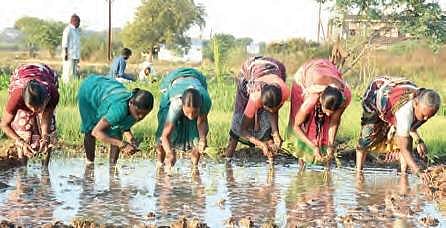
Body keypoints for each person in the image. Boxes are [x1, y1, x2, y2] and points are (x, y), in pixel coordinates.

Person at [355, 76, 441, 181]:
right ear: (415, 104)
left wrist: (418, 140)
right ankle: (359, 173)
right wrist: (418, 171)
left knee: (406, 138)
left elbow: (410, 127)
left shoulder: (422, 101)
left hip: (395, 94)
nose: (426, 118)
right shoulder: (405, 112)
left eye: (430, 116)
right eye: (424, 115)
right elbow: (404, 148)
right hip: (376, 94)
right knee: (367, 136)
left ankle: (403, 175)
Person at [287, 59, 351, 168]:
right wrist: (312, 146)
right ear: (320, 100)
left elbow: (334, 122)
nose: (328, 115)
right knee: (307, 124)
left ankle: (327, 165)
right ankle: (301, 165)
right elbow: (296, 126)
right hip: (304, 77)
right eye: (326, 110)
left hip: (327, 72)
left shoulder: (343, 98)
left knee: (326, 126)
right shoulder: (312, 98)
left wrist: (330, 144)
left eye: (332, 112)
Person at [225, 56, 289, 161]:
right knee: (236, 130)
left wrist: (275, 132)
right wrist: (261, 145)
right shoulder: (255, 96)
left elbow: (274, 111)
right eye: (268, 109)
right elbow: (243, 130)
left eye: (274, 108)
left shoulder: (284, 92)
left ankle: (271, 168)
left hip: (270, 70)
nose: (271, 111)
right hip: (248, 74)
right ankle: (227, 163)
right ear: (262, 103)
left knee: (268, 135)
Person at [77, 75, 153, 164]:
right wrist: (122, 145)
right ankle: (89, 164)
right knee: (90, 129)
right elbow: (96, 132)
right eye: (138, 113)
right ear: (131, 103)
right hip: (90, 90)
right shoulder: (119, 110)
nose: (140, 117)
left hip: (108, 89)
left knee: (117, 134)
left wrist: (131, 139)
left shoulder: (135, 110)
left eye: (144, 114)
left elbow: (123, 126)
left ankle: (113, 169)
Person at [0, 63, 59, 166]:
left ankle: (45, 169)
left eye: (39, 109)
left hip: (46, 73)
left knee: (49, 133)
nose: (35, 112)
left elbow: (47, 116)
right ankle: (22, 167)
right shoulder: (16, 97)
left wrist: (45, 136)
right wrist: (20, 141)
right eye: (31, 108)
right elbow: (4, 124)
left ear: (46, 100)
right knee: (22, 126)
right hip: (22, 74)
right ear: (24, 102)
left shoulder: (52, 94)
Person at [155, 68, 212, 171]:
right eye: (187, 112)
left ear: (200, 107)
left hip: (196, 78)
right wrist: (169, 152)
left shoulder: (205, 101)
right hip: (175, 81)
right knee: (163, 128)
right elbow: (165, 135)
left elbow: (202, 122)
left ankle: (195, 168)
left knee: (197, 139)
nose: (190, 116)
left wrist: (203, 138)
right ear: (182, 106)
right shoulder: (176, 104)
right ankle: (160, 165)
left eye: (194, 112)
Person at [61, 14, 81, 83]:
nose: (79, 24)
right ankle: (66, 87)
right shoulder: (68, 30)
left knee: (74, 74)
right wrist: (66, 54)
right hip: (69, 55)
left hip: (75, 56)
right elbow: (64, 43)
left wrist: (78, 57)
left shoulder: (77, 31)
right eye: (78, 22)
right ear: (74, 21)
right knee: (68, 73)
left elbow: (77, 44)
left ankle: (72, 87)